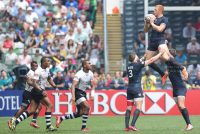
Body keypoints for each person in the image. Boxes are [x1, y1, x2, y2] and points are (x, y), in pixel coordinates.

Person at [143, 5, 188, 86]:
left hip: (160, 40)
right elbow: (145, 30)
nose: (154, 11)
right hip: (152, 41)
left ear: (160, 11)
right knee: (148, 62)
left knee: (165, 57)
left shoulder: (164, 19)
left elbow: (160, 29)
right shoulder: (153, 18)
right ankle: (163, 74)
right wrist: (147, 24)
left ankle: (182, 68)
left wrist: (152, 24)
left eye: (155, 10)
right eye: (154, 10)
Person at [11, 58, 59, 132]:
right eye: (48, 61)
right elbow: (34, 82)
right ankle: (48, 126)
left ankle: (15, 122)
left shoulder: (47, 69)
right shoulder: (38, 71)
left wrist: (55, 86)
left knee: (32, 110)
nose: (49, 62)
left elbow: (49, 79)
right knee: (49, 105)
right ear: (43, 62)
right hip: (37, 91)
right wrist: (41, 90)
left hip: (37, 91)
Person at [125, 49, 165, 131]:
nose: (138, 57)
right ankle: (132, 125)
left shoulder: (128, 66)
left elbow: (137, 61)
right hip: (136, 88)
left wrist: (142, 58)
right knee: (139, 107)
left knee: (129, 108)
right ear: (135, 59)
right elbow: (151, 60)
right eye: (137, 57)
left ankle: (126, 127)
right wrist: (160, 53)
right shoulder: (138, 65)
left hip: (129, 88)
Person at [56, 60, 95, 131]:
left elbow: (92, 85)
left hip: (83, 92)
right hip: (77, 92)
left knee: (80, 113)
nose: (91, 64)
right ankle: (83, 128)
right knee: (87, 106)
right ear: (84, 65)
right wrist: (73, 96)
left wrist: (92, 94)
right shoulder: (79, 74)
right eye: (89, 63)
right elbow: (73, 86)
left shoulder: (91, 74)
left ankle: (61, 118)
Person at [7, 61, 42, 130]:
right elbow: (28, 81)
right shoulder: (31, 72)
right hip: (28, 93)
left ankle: (33, 121)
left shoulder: (34, 73)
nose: (36, 67)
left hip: (31, 92)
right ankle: (12, 120)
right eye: (34, 66)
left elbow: (24, 79)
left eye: (37, 66)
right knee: (23, 109)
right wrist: (35, 85)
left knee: (39, 105)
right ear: (31, 67)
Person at [166, 49, 194, 130]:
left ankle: (189, 124)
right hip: (175, 87)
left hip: (180, 86)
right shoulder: (169, 62)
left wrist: (184, 71)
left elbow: (182, 67)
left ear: (169, 55)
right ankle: (188, 124)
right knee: (179, 107)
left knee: (181, 106)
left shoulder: (173, 60)